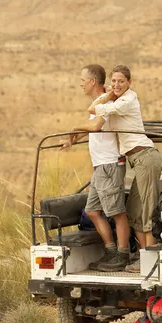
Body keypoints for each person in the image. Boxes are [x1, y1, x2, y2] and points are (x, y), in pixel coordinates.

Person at [88, 64, 161, 272]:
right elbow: (99, 125)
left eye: (121, 81)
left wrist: (109, 94)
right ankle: (142, 255)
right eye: (113, 81)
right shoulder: (120, 101)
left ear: (129, 82)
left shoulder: (128, 100)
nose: (117, 84)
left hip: (145, 156)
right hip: (137, 160)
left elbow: (93, 109)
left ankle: (149, 260)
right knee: (134, 210)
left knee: (147, 209)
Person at [62, 64, 131, 271]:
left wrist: (75, 128)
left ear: (93, 81)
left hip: (109, 164)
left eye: (83, 80)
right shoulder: (99, 102)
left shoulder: (107, 102)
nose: (80, 84)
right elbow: (94, 128)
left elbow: (96, 126)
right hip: (101, 166)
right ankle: (111, 251)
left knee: (117, 212)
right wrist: (73, 140)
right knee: (92, 210)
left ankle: (122, 255)